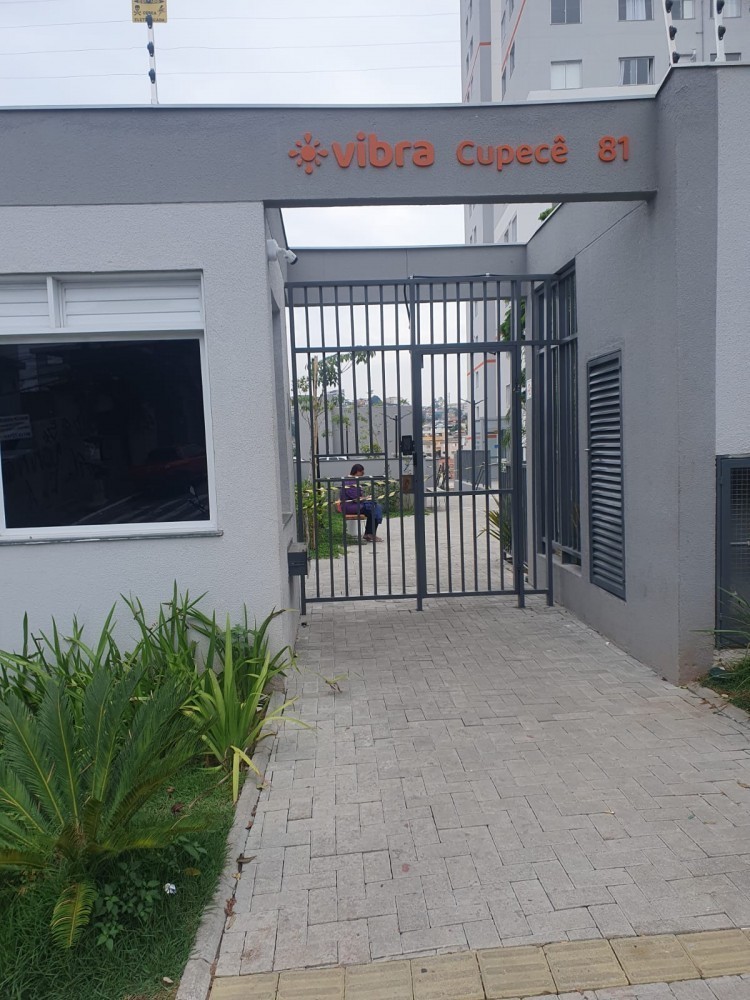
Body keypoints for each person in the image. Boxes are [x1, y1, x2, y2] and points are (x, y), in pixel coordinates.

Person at [340, 464, 383, 542]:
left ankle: (369, 534)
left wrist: (365, 498)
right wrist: (366, 498)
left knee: (374, 508)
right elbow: (355, 498)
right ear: (357, 472)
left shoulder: (352, 480)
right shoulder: (349, 481)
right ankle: (369, 534)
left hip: (354, 505)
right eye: (362, 473)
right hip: (349, 506)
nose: (363, 474)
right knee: (374, 508)